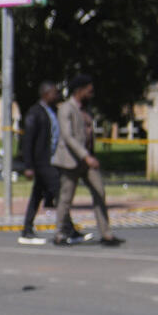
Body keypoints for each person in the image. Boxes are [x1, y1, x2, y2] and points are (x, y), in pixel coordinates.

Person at [51, 73, 122, 246]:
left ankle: (106, 234)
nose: (92, 94)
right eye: (89, 91)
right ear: (79, 90)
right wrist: (85, 156)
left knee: (100, 192)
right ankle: (59, 234)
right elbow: (68, 137)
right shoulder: (66, 108)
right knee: (66, 198)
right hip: (71, 160)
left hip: (88, 160)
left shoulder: (86, 108)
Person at [16, 81, 62, 244]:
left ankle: (27, 229)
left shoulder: (54, 111)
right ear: (45, 94)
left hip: (53, 159)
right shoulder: (35, 112)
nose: (57, 96)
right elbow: (28, 140)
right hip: (42, 161)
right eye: (54, 93)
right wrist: (28, 166)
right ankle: (67, 229)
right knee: (60, 192)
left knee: (37, 195)